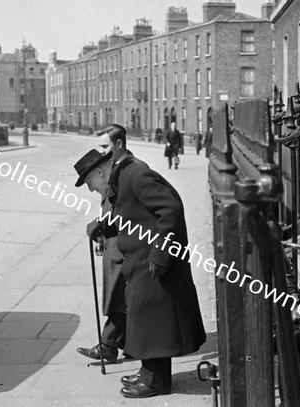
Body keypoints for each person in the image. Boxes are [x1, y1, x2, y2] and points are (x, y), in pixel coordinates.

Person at [89, 124, 206, 398]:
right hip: (140, 258)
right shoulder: (122, 172)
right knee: (149, 321)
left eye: (105, 148)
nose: (101, 153)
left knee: (154, 321)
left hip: (151, 259)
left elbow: (171, 209)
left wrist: (161, 254)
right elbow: (131, 215)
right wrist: (103, 227)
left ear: (118, 144)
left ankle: (156, 382)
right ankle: (149, 373)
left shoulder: (135, 172)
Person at [73, 149, 129, 363]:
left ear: (99, 173)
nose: (90, 189)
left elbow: (123, 214)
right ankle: (122, 344)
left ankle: (109, 345)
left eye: (89, 183)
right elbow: (110, 213)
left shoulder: (120, 182)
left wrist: (100, 227)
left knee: (118, 298)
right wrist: (102, 238)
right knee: (119, 298)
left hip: (123, 252)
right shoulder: (111, 183)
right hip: (114, 248)